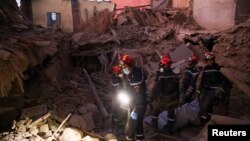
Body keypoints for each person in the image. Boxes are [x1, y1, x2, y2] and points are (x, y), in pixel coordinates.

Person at [197, 52, 232, 126]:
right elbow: (202, 81)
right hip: (206, 90)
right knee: (205, 106)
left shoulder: (218, 68)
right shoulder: (205, 69)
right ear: (206, 61)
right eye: (209, 60)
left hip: (215, 91)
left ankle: (205, 122)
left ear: (214, 60)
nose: (211, 61)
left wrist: (220, 88)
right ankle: (205, 122)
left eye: (212, 59)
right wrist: (199, 91)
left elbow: (225, 80)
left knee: (206, 105)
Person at [119, 54, 147, 141]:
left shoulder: (136, 74)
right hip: (134, 102)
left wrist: (136, 107)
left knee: (134, 123)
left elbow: (138, 93)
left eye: (124, 66)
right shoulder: (131, 73)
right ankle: (139, 138)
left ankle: (131, 138)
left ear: (129, 64)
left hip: (138, 104)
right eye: (122, 66)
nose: (123, 68)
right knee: (137, 123)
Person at [149, 56, 180, 134]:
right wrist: (178, 99)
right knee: (171, 114)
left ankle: (154, 129)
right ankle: (169, 129)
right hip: (173, 99)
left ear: (163, 65)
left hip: (162, 99)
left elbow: (155, 87)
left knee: (155, 112)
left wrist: (150, 98)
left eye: (161, 65)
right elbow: (178, 88)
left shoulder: (160, 75)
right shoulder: (174, 75)